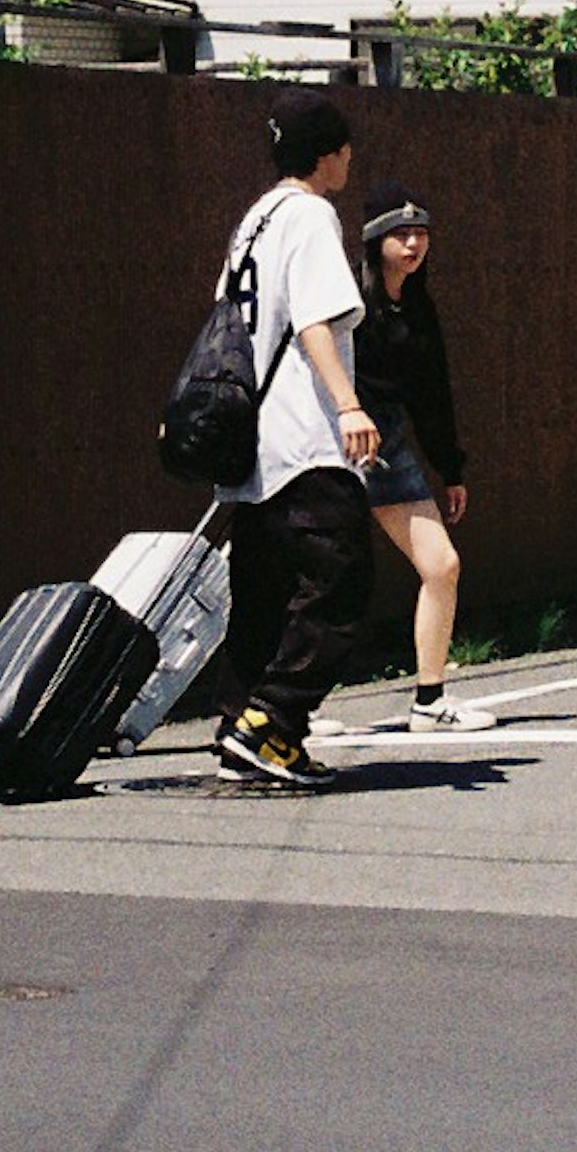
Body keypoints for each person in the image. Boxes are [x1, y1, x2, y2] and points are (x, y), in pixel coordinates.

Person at [205, 89, 382, 788]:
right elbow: (315, 320)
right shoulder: (310, 215)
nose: (348, 159)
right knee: (340, 582)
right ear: (327, 153)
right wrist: (349, 404)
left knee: (264, 590)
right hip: (305, 437)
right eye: (344, 148)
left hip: (253, 444)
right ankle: (273, 722)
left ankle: (238, 722)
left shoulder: (255, 219)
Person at [316, 188, 495, 735]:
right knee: (323, 578)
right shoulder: (345, 295)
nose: (414, 244)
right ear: (374, 241)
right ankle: (293, 709)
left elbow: (431, 392)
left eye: (421, 234)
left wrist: (451, 468)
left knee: (441, 565)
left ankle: (429, 700)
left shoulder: (416, 303)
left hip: (390, 446)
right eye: (401, 234)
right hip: (333, 439)